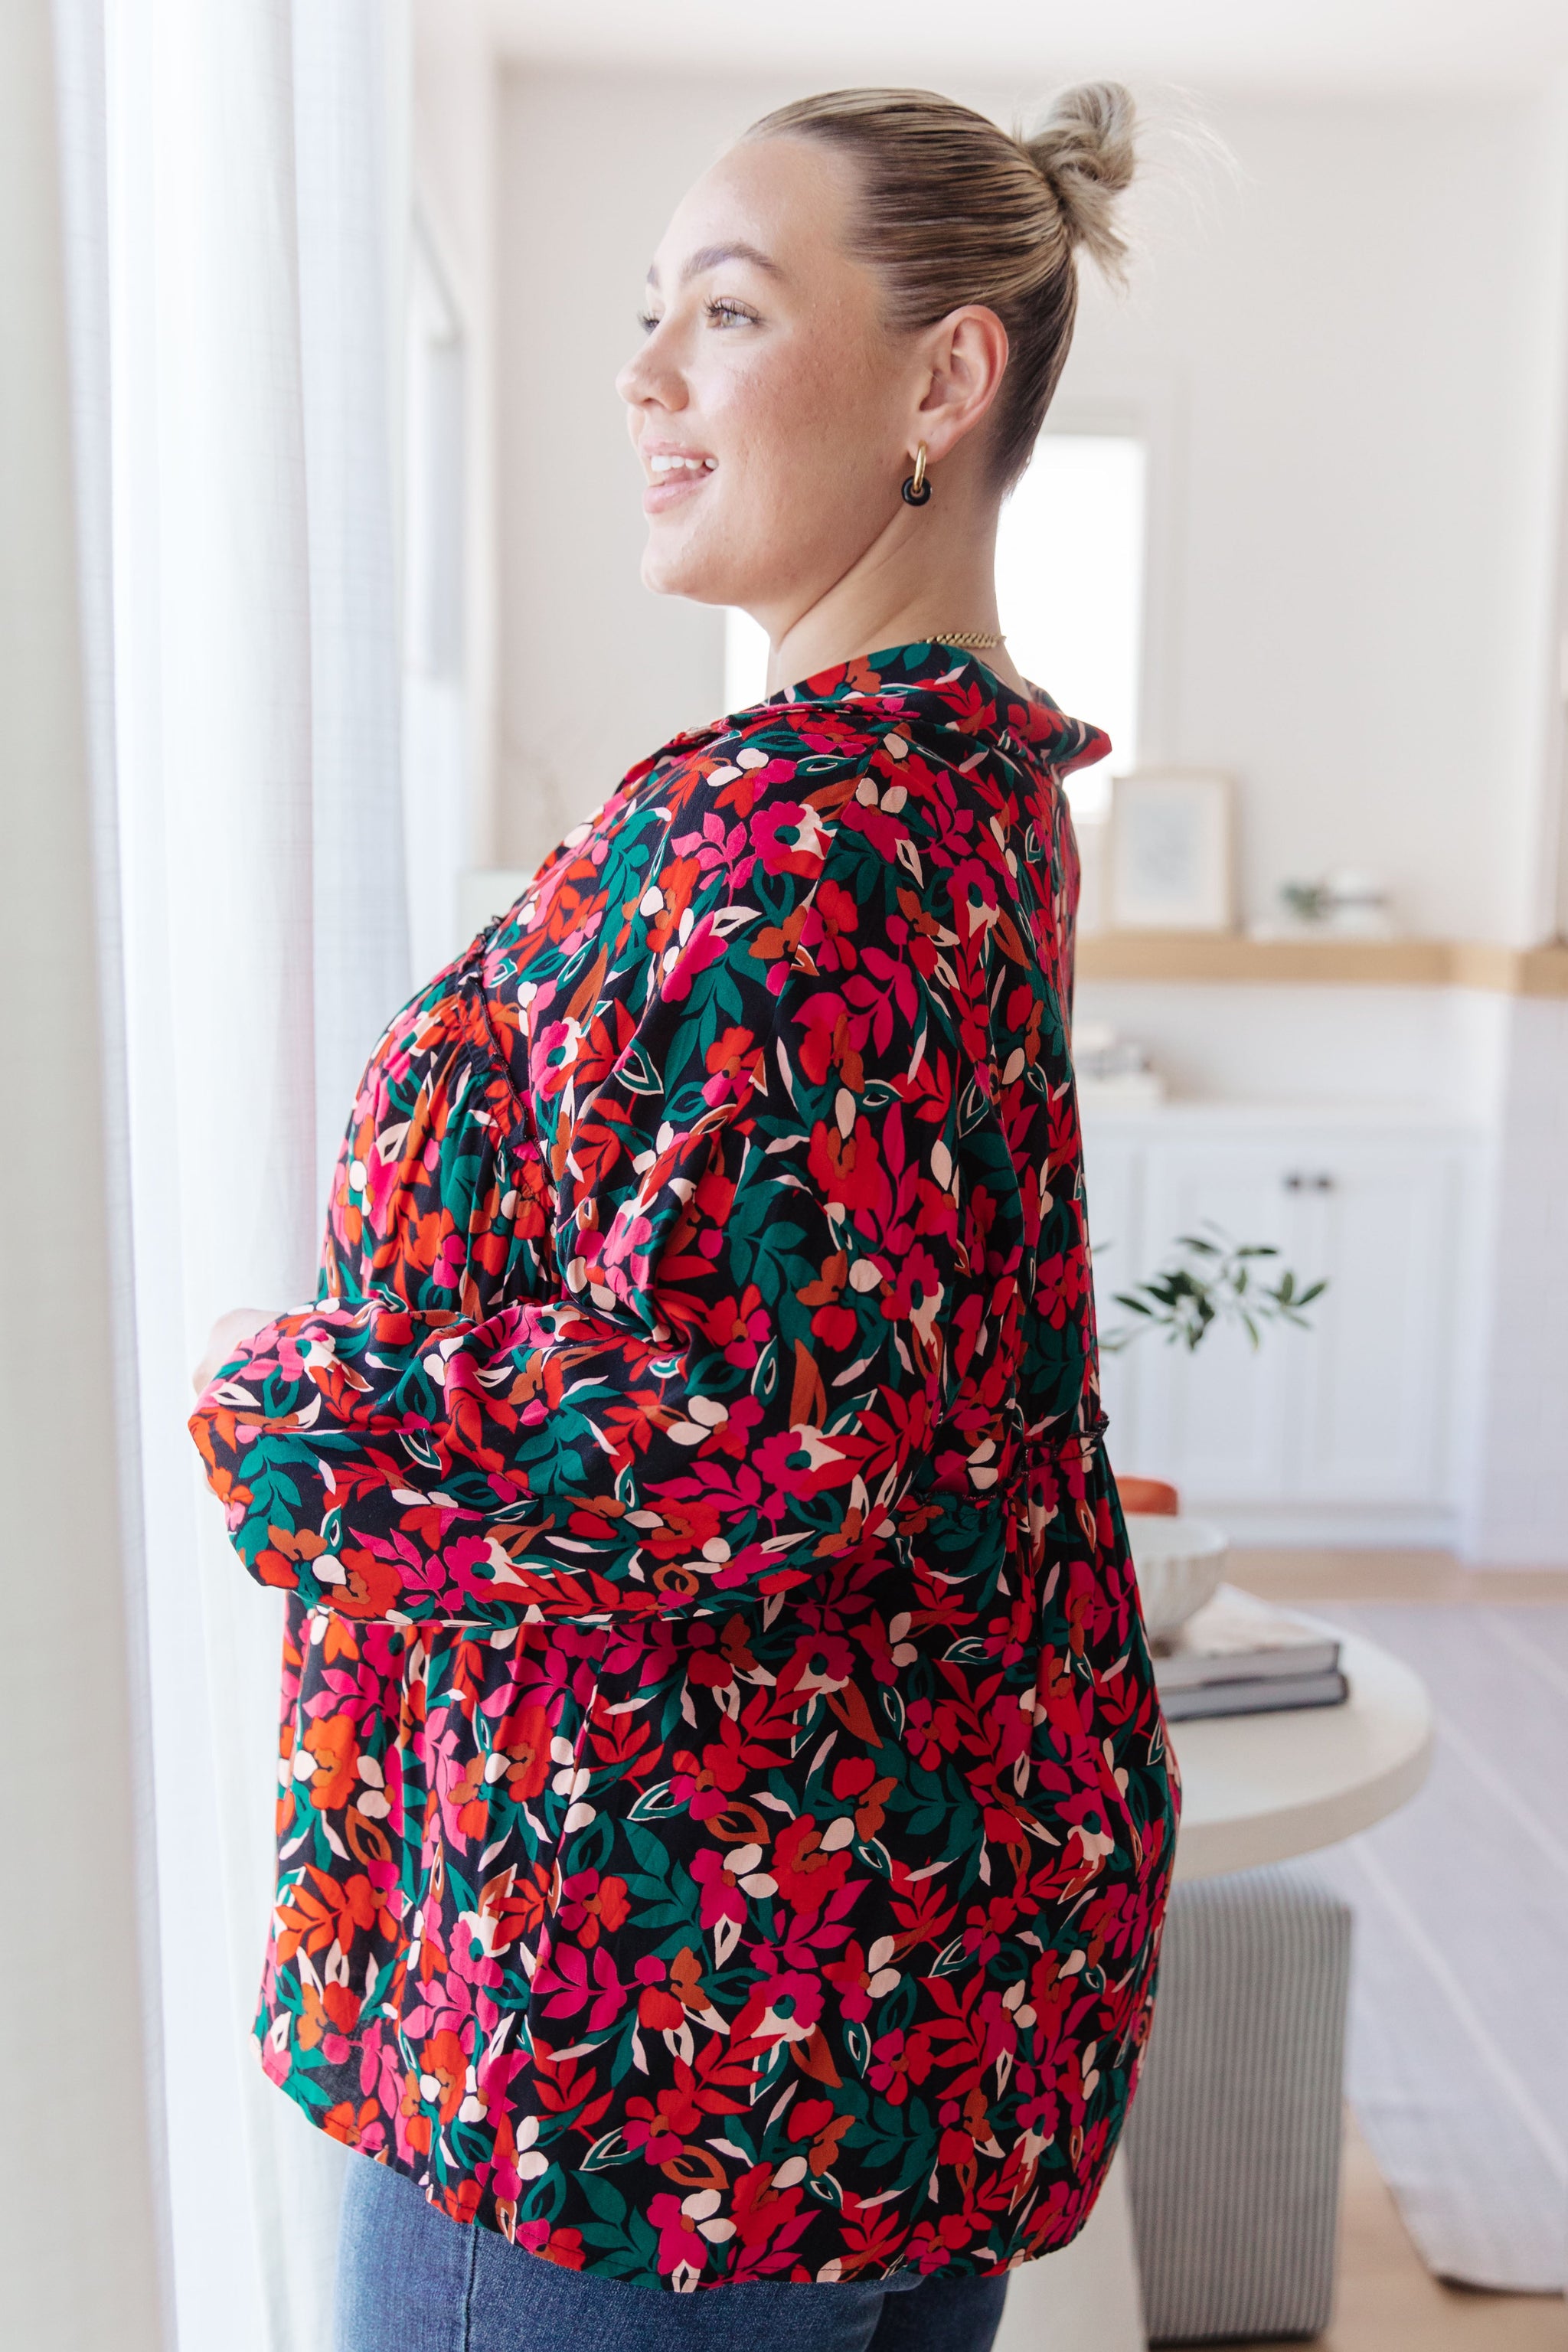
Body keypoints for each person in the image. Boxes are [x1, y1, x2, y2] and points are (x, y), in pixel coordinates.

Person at [191, 80, 1180, 2352]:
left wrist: (288, 1411)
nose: (642, 376)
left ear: (946, 378)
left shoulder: (802, 838)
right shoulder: (969, 792)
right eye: (651, 312)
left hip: (642, 2043)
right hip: (890, 1986)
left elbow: (747, 1429)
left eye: (724, 314)